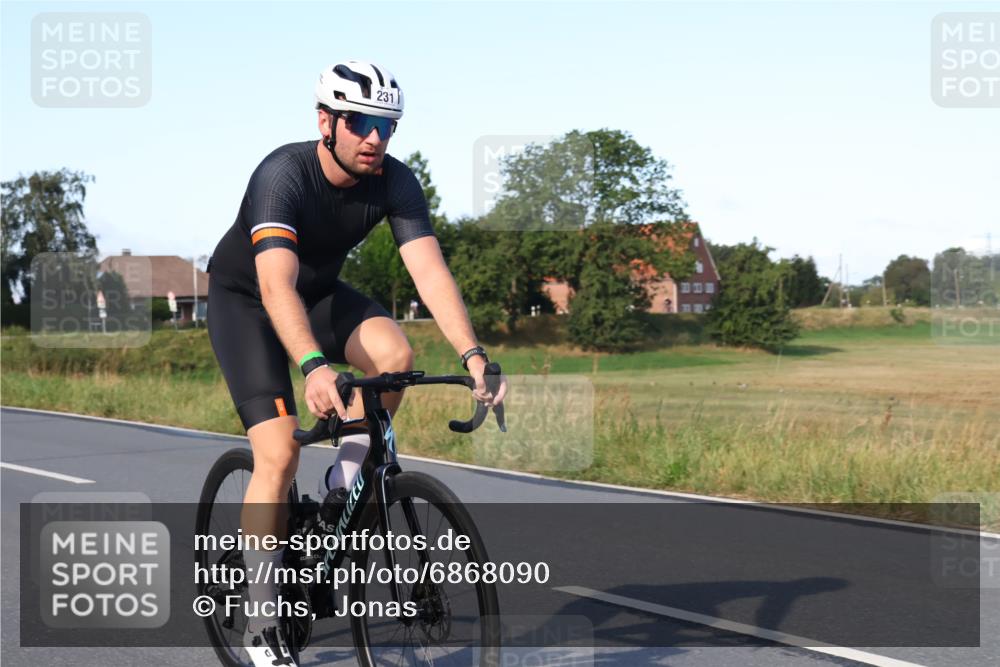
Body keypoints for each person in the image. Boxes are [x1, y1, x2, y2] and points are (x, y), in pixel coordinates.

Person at [206, 60, 508, 667]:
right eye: (361, 122)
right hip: (249, 301)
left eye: (387, 126)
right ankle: (262, 622)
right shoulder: (282, 175)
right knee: (279, 453)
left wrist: (474, 356)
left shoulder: (395, 182)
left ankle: (344, 480)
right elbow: (274, 285)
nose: (375, 137)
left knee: (395, 353)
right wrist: (315, 367)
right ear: (326, 121)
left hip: (316, 298)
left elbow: (429, 272)